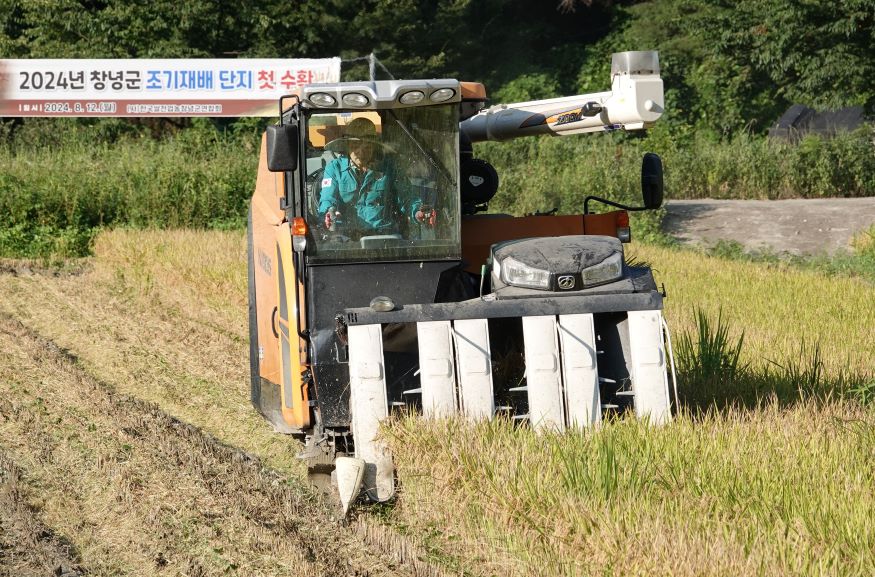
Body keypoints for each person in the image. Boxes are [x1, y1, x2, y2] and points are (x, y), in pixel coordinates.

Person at [317, 117, 432, 237]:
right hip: (347, 237)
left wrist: (417, 211)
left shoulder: (390, 167)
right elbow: (327, 198)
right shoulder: (334, 168)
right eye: (355, 145)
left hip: (384, 236)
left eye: (366, 147)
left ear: (373, 146)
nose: (361, 153)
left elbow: (407, 197)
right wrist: (328, 212)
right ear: (347, 145)